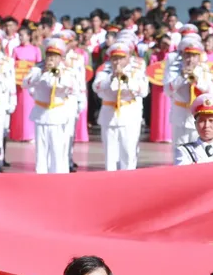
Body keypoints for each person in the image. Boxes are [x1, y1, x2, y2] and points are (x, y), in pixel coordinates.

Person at [24, 38, 82, 174]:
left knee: (57, 151)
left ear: (60, 58)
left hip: (57, 115)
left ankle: (58, 178)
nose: (51, 59)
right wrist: (43, 73)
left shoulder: (66, 70)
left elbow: (74, 88)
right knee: (41, 152)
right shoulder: (37, 68)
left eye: (55, 56)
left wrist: (57, 77)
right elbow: (25, 83)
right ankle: (41, 178)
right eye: (49, 55)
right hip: (40, 113)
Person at [92, 42, 148, 171]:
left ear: (128, 58)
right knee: (110, 155)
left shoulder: (136, 70)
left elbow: (144, 91)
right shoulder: (104, 70)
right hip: (109, 116)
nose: (118, 62)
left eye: (121, 58)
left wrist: (127, 80)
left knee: (128, 153)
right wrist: (112, 77)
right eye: (115, 58)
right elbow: (96, 87)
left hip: (129, 116)